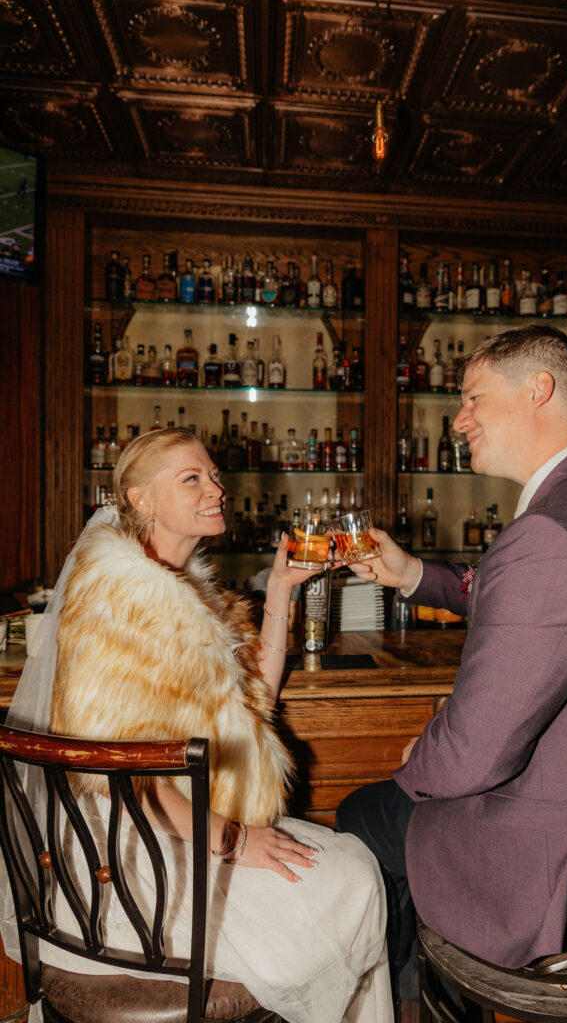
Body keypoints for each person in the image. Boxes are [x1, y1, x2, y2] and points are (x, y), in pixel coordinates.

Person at [336, 323, 567, 998]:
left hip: (559, 869)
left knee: (358, 818)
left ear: (537, 391)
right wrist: (412, 576)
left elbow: (468, 757)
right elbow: (541, 600)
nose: (458, 418)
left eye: (472, 398)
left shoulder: (551, 532)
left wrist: (422, 760)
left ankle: (419, 1001)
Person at [1, 427, 392, 1023]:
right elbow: (133, 784)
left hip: (185, 823)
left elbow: (253, 693)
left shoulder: (182, 586)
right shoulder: (124, 603)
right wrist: (237, 841)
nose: (216, 487)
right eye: (192, 479)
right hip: (136, 862)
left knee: (355, 871)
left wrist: (281, 588)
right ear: (140, 500)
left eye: (213, 475)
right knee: (352, 884)